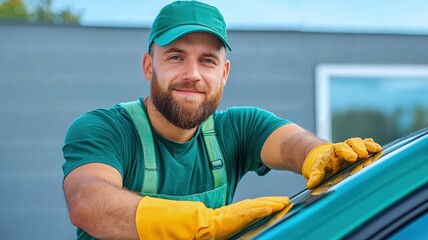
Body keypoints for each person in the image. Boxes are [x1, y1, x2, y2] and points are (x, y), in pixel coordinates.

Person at [62, 1, 382, 239]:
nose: (192, 75)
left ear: (224, 73)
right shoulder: (105, 130)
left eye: (207, 60)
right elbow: (88, 201)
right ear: (149, 66)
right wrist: (200, 223)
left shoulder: (238, 129)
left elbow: (289, 143)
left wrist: (320, 155)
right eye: (176, 57)